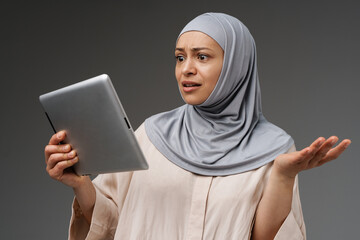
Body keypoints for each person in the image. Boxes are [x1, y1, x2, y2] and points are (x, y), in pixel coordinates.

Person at [44, 13, 351, 240]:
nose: (186, 69)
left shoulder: (274, 148)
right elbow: (108, 220)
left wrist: (283, 176)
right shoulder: (152, 134)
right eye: (180, 57)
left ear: (236, 65)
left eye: (202, 57)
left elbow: (263, 237)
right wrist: (80, 183)